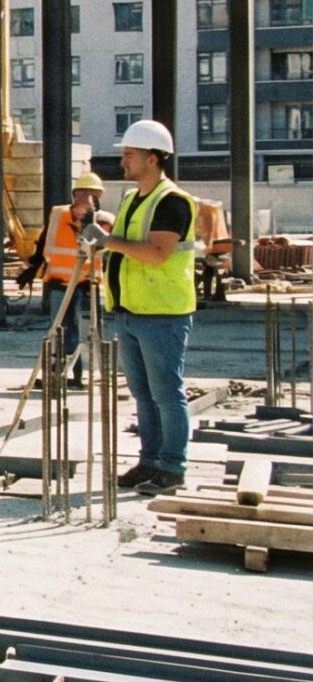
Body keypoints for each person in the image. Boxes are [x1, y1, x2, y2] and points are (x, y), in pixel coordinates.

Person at [100, 120, 196, 497]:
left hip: (162, 313)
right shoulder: (131, 198)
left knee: (167, 395)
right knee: (143, 394)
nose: (122, 161)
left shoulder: (172, 201)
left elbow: (158, 253)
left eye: (129, 155)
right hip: (131, 311)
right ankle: (150, 460)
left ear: (153, 158)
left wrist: (109, 242)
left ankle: (172, 467)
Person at [24, 171, 111, 388]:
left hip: (88, 284)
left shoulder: (105, 221)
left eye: (95, 195)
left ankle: (88, 376)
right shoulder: (58, 215)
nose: (91, 200)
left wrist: (91, 225)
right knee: (60, 331)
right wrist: (33, 266)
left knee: (91, 331)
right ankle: (61, 375)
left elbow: (109, 248)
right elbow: (44, 242)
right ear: (76, 195)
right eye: (86, 194)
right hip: (60, 282)